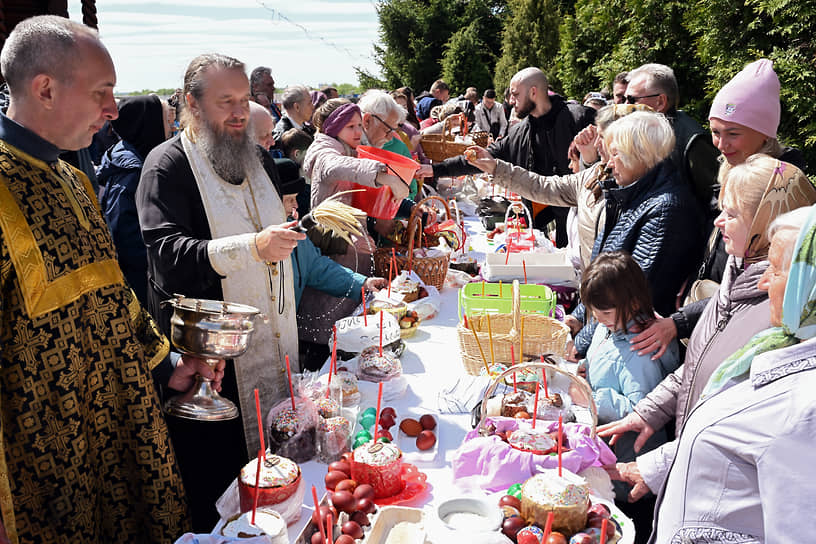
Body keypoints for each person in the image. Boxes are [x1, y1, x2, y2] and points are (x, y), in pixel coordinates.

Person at [0, 15, 197, 542]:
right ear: (44, 88)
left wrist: (168, 363)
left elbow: (114, 294)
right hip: (40, 462)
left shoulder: (75, 181)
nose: (113, 109)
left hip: (120, 423)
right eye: (102, 92)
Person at [136, 53, 307, 531]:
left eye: (244, 100)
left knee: (284, 478)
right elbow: (166, 251)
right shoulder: (166, 165)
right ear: (191, 103)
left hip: (277, 339)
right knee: (226, 495)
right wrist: (252, 246)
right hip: (215, 361)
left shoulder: (256, 157)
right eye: (224, 101)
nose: (238, 112)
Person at [598, 156, 816, 503]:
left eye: (732, 214)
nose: (718, 221)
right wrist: (649, 411)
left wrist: (658, 466)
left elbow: (739, 418)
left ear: (768, 220)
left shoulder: (784, 312)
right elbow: (699, 362)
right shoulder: (735, 272)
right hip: (691, 461)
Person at [645, 205, 816, 542]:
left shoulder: (805, 407)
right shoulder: (778, 344)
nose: (764, 281)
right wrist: (653, 467)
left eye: (780, 270)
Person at [629, 59, 809, 359]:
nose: (721, 144)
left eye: (733, 133)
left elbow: (751, 290)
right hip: (709, 312)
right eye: (715, 131)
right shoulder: (731, 170)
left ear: (765, 135)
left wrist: (679, 322)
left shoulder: (780, 194)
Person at [563, 111, 705, 359]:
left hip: (633, 350)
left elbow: (629, 295)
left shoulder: (665, 208)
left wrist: (582, 344)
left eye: (616, 154)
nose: (608, 163)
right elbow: (605, 272)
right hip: (612, 336)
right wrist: (578, 317)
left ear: (641, 155)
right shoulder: (632, 192)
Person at [418, 67, 595, 247]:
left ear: (533, 92)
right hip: (539, 223)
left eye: (515, 94)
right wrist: (435, 169)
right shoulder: (520, 132)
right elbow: (481, 158)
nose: (511, 101)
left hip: (581, 222)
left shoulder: (580, 119)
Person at [466, 103, 651, 271]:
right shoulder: (596, 174)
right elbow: (544, 187)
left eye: (603, 137)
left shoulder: (653, 200)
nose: (597, 144)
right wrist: (496, 168)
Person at [299, 98, 408, 369]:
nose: (358, 131)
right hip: (331, 249)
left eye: (360, 125)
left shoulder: (345, 147)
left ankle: (335, 363)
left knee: (340, 319)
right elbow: (340, 168)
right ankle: (320, 371)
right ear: (334, 126)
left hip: (346, 245)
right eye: (351, 126)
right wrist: (387, 176)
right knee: (325, 319)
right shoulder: (326, 151)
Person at [580, 252, 680, 503]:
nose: (598, 320)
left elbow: (642, 411)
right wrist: (586, 367)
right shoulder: (611, 327)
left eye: (604, 314)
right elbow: (606, 358)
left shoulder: (642, 352)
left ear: (633, 303)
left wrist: (591, 398)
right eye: (595, 313)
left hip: (626, 465)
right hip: (605, 445)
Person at [97, 94, 172, 305]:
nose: (172, 128)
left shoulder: (128, 156)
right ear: (149, 125)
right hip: (138, 281)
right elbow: (123, 231)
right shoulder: (132, 171)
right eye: (166, 121)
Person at [624, 63, 706, 175]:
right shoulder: (641, 133)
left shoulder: (691, 141)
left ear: (661, 102)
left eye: (632, 99)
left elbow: (713, 190)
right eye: (625, 99)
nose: (625, 105)